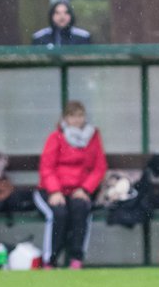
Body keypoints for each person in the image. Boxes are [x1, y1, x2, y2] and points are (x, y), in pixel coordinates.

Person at [34, 100, 108, 269]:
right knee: (58, 213)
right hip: (52, 190)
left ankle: (76, 260)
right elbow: (47, 167)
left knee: (81, 209)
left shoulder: (93, 137)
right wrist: (54, 191)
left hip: (79, 191)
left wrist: (85, 189)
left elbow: (99, 167)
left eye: (80, 115)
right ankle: (50, 261)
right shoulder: (55, 137)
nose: (77, 120)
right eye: (72, 116)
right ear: (65, 118)